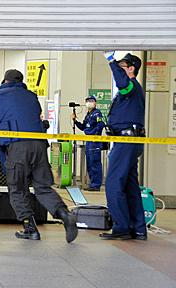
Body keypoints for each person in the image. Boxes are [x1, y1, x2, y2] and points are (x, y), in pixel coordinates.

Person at [0, 69, 78, 243]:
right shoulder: (31, 97)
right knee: (43, 187)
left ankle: (30, 228)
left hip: (18, 148)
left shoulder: (2, 96)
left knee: (17, 188)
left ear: (5, 81)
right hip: (39, 146)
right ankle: (64, 214)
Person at [100, 52, 147, 241]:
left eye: (121, 67)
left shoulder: (130, 87)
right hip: (130, 141)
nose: (118, 70)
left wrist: (111, 61)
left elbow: (122, 83)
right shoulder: (131, 91)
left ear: (131, 69)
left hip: (126, 142)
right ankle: (138, 228)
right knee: (130, 186)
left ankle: (121, 226)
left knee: (113, 183)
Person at [71, 96, 105, 191]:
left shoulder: (97, 113)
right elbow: (83, 127)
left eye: (91, 101)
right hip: (88, 141)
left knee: (95, 163)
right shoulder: (88, 115)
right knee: (90, 163)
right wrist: (75, 121)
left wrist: (94, 135)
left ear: (95, 103)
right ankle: (92, 184)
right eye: (87, 101)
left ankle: (96, 184)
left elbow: (101, 125)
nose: (89, 103)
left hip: (94, 141)